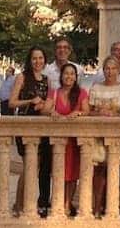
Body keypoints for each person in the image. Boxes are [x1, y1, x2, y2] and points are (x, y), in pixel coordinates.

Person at [86, 42, 120, 217]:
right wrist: (99, 112)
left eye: (113, 68)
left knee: (116, 172)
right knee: (98, 172)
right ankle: (97, 206)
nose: (110, 71)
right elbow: (88, 110)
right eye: (107, 68)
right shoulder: (96, 87)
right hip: (98, 136)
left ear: (117, 71)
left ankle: (116, 206)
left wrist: (116, 114)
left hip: (117, 137)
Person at [9, 46, 53, 214]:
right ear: (30, 60)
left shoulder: (46, 79)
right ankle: (18, 204)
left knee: (35, 168)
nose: (38, 61)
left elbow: (47, 102)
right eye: (34, 58)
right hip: (25, 125)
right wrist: (29, 101)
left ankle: (25, 203)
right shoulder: (22, 77)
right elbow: (12, 102)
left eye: (40, 58)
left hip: (40, 127)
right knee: (28, 166)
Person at [49, 62, 89, 216]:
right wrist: (52, 113)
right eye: (66, 73)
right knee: (59, 172)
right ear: (61, 75)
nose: (69, 76)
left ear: (76, 77)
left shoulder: (82, 93)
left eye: (72, 74)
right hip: (58, 140)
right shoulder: (54, 92)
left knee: (72, 174)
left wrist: (78, 113)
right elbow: (47, 109)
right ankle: (58, 201)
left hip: (74, 141)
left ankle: (67, 204)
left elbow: (87, 111)